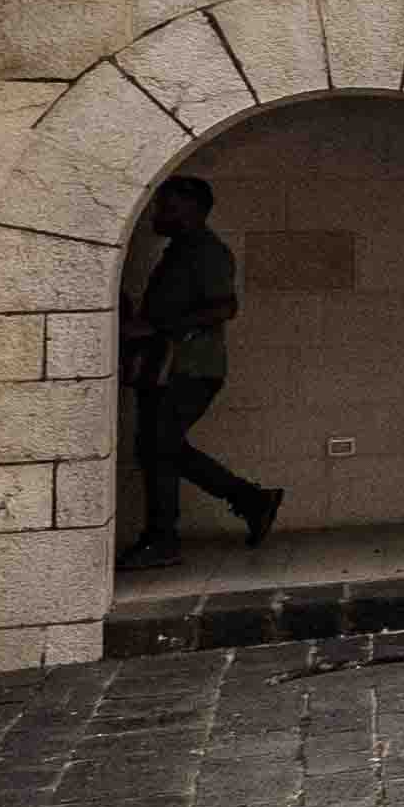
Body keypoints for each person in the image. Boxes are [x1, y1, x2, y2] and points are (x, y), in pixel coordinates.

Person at [122, 172, 283, 568]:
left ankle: (164, 539)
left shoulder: (205, 252)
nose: (159, 213)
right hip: (168, 367)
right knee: (159, 447)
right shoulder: (180, 251)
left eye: (169, 206)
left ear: (193, 209)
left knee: (160, 448)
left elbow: (224, 307)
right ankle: (251, 500)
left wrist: (156, 326)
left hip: (189, 368)